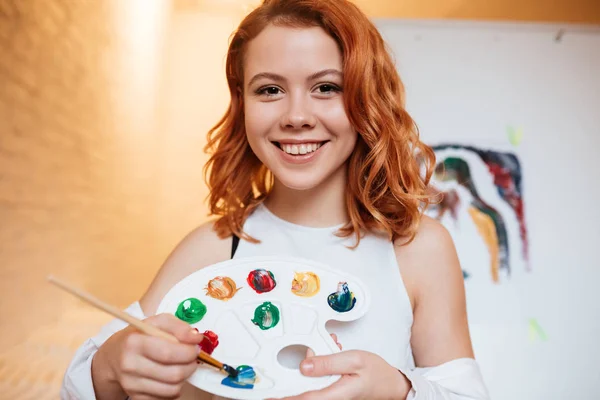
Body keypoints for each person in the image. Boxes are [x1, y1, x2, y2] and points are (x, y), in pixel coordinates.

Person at [62, 0, 490, 399]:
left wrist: (398, 389)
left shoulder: (418, 249)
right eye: (269, 90)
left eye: (326, 87)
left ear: (368, 100)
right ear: (241, 103)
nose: (297, 116)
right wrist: (111, 367)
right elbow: (78, 383)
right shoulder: (214, 247)